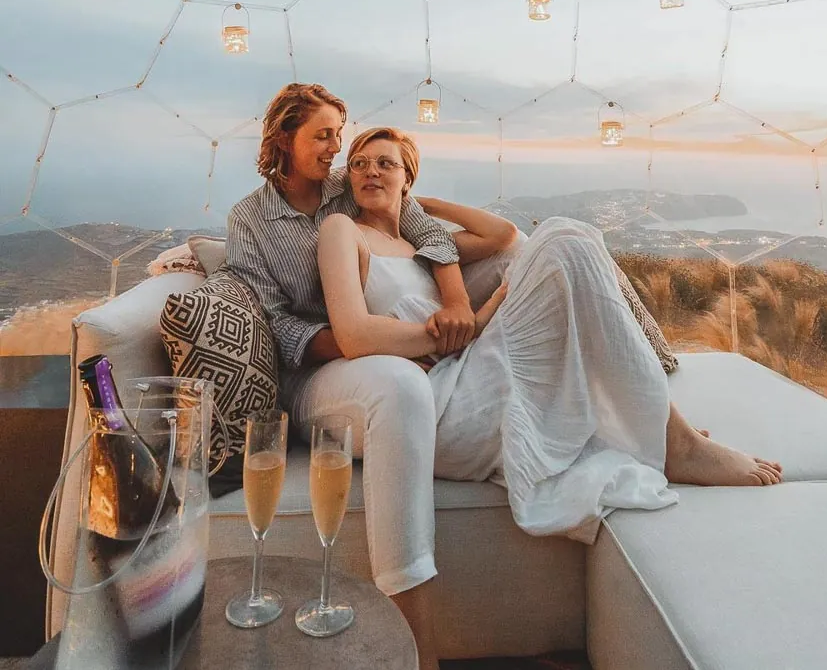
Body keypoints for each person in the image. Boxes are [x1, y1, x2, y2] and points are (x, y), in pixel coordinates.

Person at [317, 125, 784, 668]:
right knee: (563, 235)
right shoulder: (341, 230)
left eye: (386, 164)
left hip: (466, 369)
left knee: (569, 234)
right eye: (360, 165)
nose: (371, 172)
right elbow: (354, 335)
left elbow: (502, 234)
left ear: (407, 176)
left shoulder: (426, 245)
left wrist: (417, 205)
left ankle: (665, 430)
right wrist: (456, 332)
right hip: (431, 401)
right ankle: (671, 440)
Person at [226, 84, 518, 670]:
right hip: (318, 371)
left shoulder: (351, 188)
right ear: (284, 138)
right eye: (324, 136)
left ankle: (632, 412)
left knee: (527, 257)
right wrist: (376, 342)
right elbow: (273, 322)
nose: (338, 149)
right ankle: (415, 643)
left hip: (389, 341)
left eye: (341, 133)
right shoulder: (250, 220)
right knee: (398, 382)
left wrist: (417, 202)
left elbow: (428, 238)